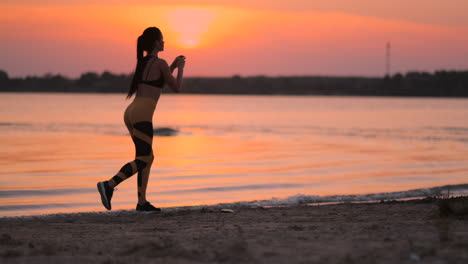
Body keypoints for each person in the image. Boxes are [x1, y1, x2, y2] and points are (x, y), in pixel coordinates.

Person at [97, 26, 186, 212]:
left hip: (131, 112)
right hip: (142, 113)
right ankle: (109, 185)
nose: (164, 42)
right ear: (155, 42)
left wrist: (173, 66)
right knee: (144, 158)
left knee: (146, 157)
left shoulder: (144, 62)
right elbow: (176, 87)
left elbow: (159, 82)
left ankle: (142, 202)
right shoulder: (159, 63)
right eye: (162, 39)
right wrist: (181, 69)